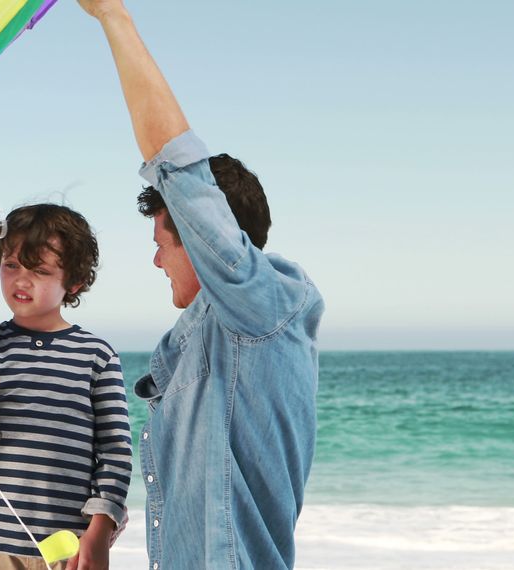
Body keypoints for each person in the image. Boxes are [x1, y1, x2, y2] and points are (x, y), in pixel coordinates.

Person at [77, 1, 326, 568]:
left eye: (164, 243)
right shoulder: (193, 343)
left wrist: (112, 17)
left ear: (200, 236)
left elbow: (177, 164)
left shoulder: (263, 308)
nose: (157, 262)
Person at [0, 204, 133, 570]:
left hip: (70, 549)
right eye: (12, 265)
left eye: (40, 271)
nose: (21, 280)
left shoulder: (96, 356)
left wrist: (99, 532)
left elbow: (115, 451)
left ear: (74, 282)